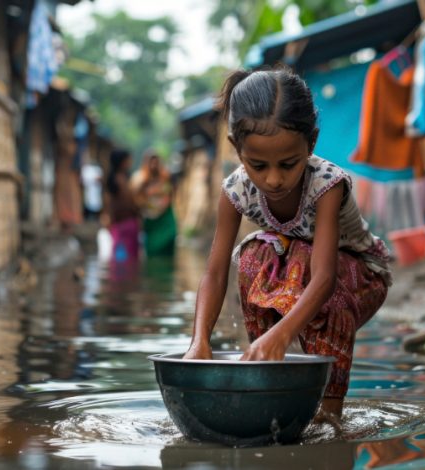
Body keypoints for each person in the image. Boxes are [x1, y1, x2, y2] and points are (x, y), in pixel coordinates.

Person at [183, 67, 392, 418]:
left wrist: (282, 334)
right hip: (302, 277)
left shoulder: (326, 184)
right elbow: (215, 274)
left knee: (300, 257)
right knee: (253, 253)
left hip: (359, 278)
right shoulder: (235, 190)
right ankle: (267, 384)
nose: (274, 179)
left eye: (288, 164)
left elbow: (324, 278)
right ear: (237, 149)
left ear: (311, 143)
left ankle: (330, 410)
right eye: (258, 165)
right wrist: (199, 340)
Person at [132, 150, 177, 256]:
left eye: (156, 162)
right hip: (151, 220)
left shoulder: (166, 176)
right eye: (151, 162)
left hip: (165, 217)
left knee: (170, 240)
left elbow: (171, 192)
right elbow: (136, 197)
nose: (154, 165)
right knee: (153, 250)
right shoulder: (140, 178)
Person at [105, 149, 141, 263]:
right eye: (128, 160)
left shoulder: (122, 178)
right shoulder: (119, 180)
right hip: (123, 222)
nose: (130, 162)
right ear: (122, 162)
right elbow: (127, 201)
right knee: (124, 258)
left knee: (124, 257)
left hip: (124, 223)